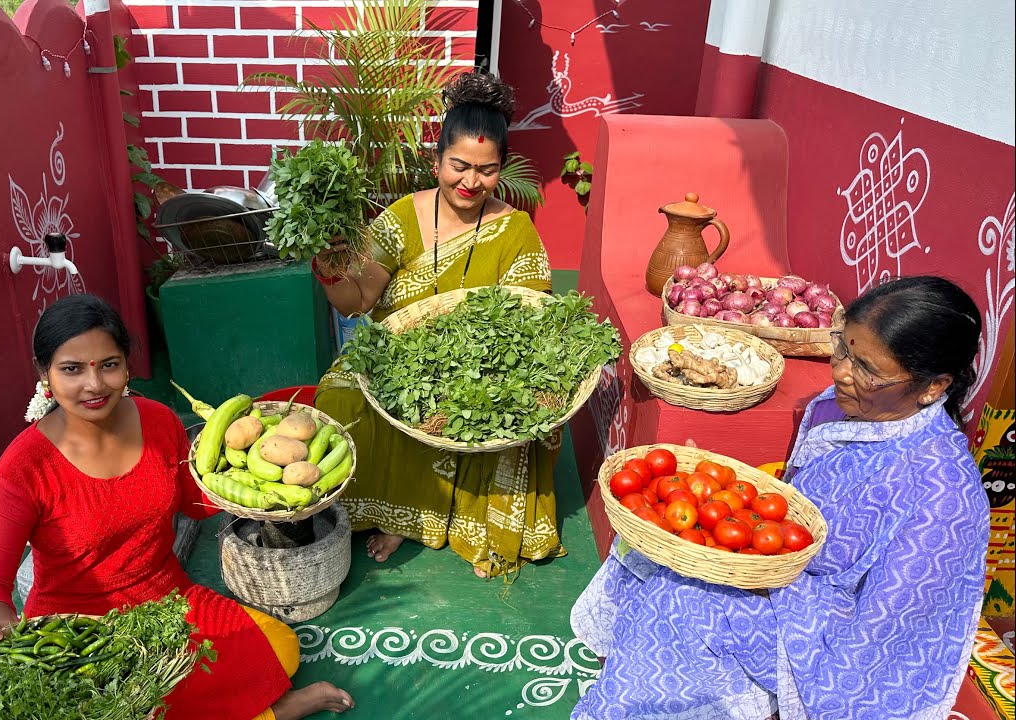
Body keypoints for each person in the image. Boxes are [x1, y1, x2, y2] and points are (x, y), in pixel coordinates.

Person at [569, 276, 990, 719]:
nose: (842, 371)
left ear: (932, 386)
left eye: (867, 369)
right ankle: (629, 673)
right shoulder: (849, 404)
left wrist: (772, 590)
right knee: (653, 544)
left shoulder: (946, 497)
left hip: (829, 635)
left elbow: (879, 636)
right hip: (779, 569)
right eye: (844, 348)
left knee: (682, 598)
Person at [0, 294, 353, 720]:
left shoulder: (158, 421)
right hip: (79, 634)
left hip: (168, 603)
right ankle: (276, 711)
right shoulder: (23, 468)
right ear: (45, 375)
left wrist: (257, 482)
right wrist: (6, 629)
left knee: (281, 646)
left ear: (128, 366)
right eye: (72, 369)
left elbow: (196, 502)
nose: (94, 385)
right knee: (124, 706)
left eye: (108, 365)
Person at [312, 71, 561, 579]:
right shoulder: (402, 216)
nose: (471, 182)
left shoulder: (515, 230)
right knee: (339, 394)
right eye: (460, 166)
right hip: (395, 352)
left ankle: (424, 514)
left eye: (487, 171)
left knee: (507, 416)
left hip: (478, 364)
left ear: (501, 170)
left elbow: (532, 318)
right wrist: (330, 267)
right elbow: (357, 302)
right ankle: (386, 508)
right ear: (436, 161)